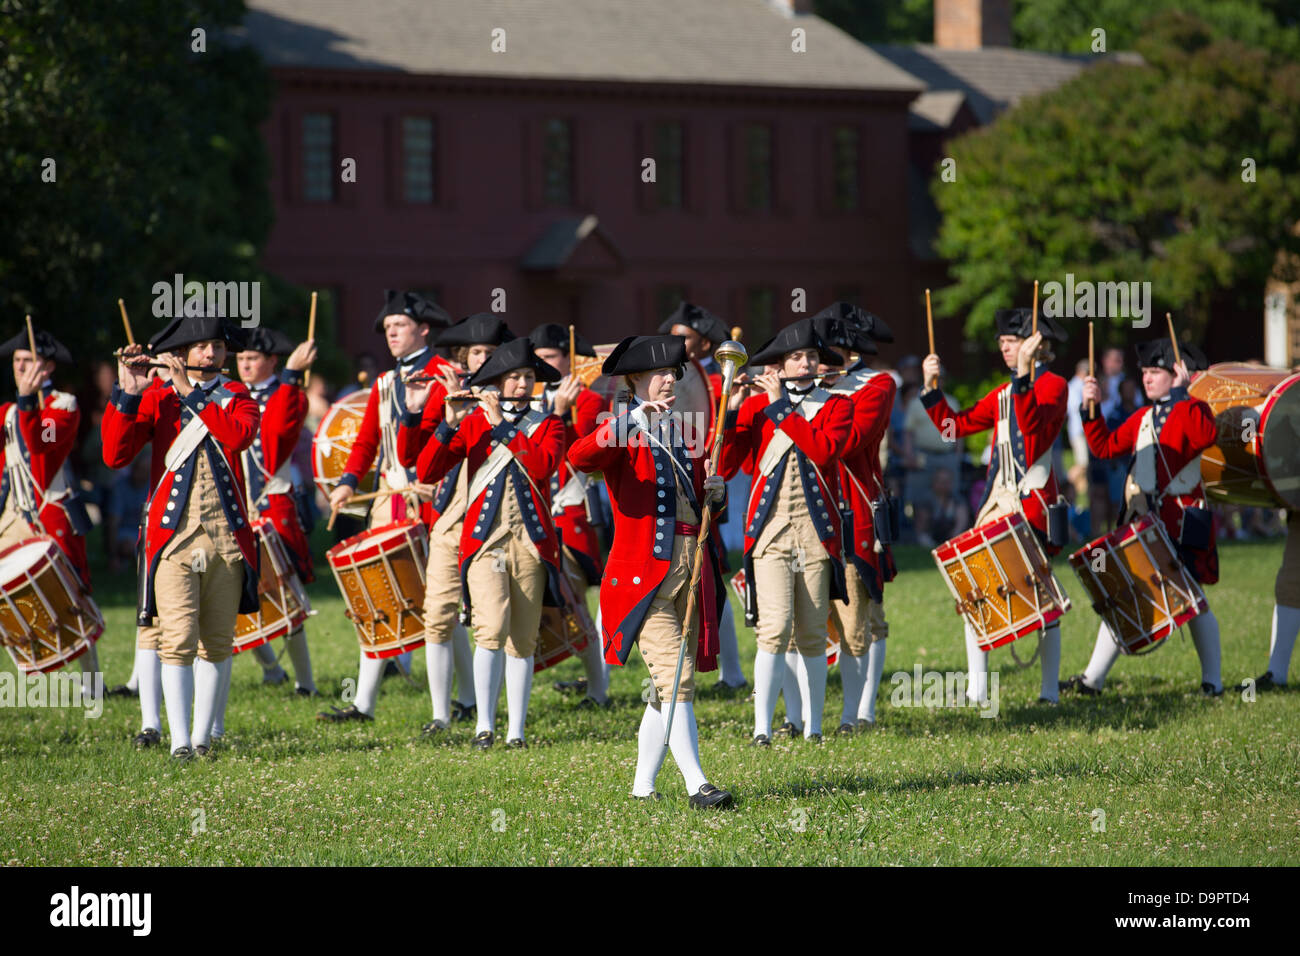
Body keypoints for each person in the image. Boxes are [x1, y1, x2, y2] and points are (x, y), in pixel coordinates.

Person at [568, 334, 733, 807]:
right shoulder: (622, 428)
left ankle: (642, 788)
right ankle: (697, 784)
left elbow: (696, 505)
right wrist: (631, 419)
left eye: (674, 374)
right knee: (675, 677)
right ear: (636, 379)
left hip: (690, 566)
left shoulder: (682, 432)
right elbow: (580, 457)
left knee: (664, 690)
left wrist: (713, 496)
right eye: (661, 374)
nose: (671, 382)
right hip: (643, 575)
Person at [102, 314, 261, 760]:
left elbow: (238, 435)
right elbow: (115, 455)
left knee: (217, 641)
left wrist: (191, 393)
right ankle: (179, 743)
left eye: (218, 346)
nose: (212, 353)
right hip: (173, 541)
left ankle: (205, 738)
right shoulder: (156, 397)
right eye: (202, 346)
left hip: (227, 539)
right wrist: (128, 392)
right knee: (176, 639)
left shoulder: (237, 396)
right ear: (182, 354)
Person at [402, 337, 566, 749]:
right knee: (490, 628)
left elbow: (544, 464)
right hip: (484, 542)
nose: (522, 384)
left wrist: (502, 427)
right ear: (497, 380)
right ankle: (484, 726)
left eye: (528, 376)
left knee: (524, 638)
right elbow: (426, 468)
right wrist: (448, 422)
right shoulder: (474, 420)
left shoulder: (550, 423)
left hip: (531, 543)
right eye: (513, 377)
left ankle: (516, 732)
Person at [318, 291, 455, 724]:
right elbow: (366, 442)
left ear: (424, 329)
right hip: (386, 504)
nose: (391, 334)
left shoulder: (443, 376)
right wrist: (345, 483)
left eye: (399, 326)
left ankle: (456, 705)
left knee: (441, 607)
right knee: (375, 597)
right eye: (387, 328)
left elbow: (433, 443)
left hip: (430, 504)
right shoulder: (383, 382)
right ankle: (364, 704)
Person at [921, 306, 1070, 705]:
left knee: (1042, 598)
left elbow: (1034, 436)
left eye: (1012, 342)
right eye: (1002, 343)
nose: (1005, 349)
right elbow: (954, 427)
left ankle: (1049, 691)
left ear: (1036, 345)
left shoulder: (1054, 385)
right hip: (996, 506)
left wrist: (1023, 377)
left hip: (1034, 508)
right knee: (975, 591)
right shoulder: (1005, 392)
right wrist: (931, 389)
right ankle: (978, 688)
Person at [1064, 339, 1224, 696]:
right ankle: (1092, 680)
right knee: (1121, 593)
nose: (1148, 379)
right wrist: (1090, 407)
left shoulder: (1193, 409)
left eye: (1156, 372)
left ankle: (1213, 681)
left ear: (1176, 374)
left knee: (1193, 600)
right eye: (1146, 373)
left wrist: (1183, 394)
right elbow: (1103, 446)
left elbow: (1205, 436)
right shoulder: (1142, 417)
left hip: (1182, 521)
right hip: (1144, 522)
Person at [720, 319, 853, 745]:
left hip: (815, 534)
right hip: (770, 533)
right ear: (779, 364)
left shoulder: (835, 405)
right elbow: (725, 467)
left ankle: (813, 726)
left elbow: (823, 451)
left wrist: (778, 407)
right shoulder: (757, 407)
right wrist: (733, 409)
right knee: (773, 629)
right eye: (796, 356)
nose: (805, 362)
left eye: (811, 356)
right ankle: (761, 727)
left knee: (813, 632)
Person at [389, 312, 517, 736]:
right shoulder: (444, 389)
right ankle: (441, 713)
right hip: (449, 517)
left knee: (493, 623)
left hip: (498, 522)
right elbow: (417, 460)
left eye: (491, 353)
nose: (482, 359)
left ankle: (488, 715)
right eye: (476, 352)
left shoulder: (514, 398)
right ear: (464, 355)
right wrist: (436, 414)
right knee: (438, 615)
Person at [222, 326, 319, 701]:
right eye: (241, 359)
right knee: (232, 597)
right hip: (234, 507)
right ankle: (272, 670)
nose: (244, 365)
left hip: (272, 506)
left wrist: (293, 378)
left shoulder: (288, 394)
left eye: (252, 359)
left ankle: (306, 682)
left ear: (272, 361)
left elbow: (277, 438)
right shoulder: (231, 394)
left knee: (285, 598)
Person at [811, 303, 897, 733]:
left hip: (856, 507)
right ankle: (802, 717)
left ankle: (861, 709)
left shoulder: (877, 384)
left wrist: (815, 395)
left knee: (862, 613)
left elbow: (850, 440)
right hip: (811, 507)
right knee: (809, 614)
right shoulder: (813, 385)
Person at [659, 302, 748, 693]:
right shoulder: (665, 378)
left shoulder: (717, 384)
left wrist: (733, 411)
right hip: (666, 487)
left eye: (684, 339)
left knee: (712, 580)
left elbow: (726, 446)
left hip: (703, 490)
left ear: (704, 344)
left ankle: (731, 672)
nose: (675, 344)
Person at [0, 326, 97, 681]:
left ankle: (91, 682)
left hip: (52, 510)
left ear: (48, 367)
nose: (22, 367)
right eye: (18, 361)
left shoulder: (63, 406)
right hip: (14, 514)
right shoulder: (7, 412)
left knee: (74, 598)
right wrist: (21, 405)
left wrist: (27, 403)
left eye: (30, 361)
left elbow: (41, 443)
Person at [527, 322, 612, 708]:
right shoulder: (527, 398)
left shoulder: (589, 400)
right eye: (538, 358)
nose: (542, 364)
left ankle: (597, 689)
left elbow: (581, 452)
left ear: (567, 359)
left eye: (549, 358)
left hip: (571, 514)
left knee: (575, 607)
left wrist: (561, 414)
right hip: (534, 513)